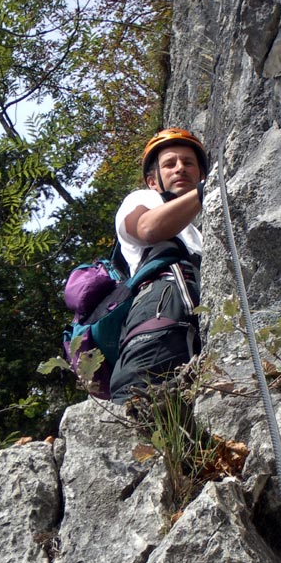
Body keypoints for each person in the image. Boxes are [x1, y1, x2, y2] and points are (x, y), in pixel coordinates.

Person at [110, 127, 208, 404]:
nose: (180, 168)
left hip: (200, 305)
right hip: (160, 302)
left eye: (189, 163)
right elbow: (149, 228)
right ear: (153, 180)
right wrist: (203, 192)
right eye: (170, 164)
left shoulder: (199, 228)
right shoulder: (143, 200)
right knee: (145, 392)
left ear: (200, 173)